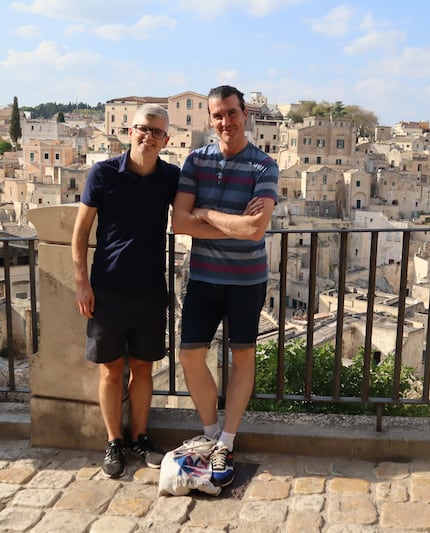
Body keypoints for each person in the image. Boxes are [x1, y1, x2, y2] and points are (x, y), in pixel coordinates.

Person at [172, 85, 279, 487]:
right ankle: (213, 433)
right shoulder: (195, 161)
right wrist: (228, 221)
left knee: (243, 359)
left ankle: (227, 439)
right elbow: (179, 223)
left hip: (246, 281)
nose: (224, 122)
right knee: (189, 357)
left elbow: (254, 231)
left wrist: (205, 212)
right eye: (217, 115)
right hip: (202, 276)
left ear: (244, 113)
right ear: (210, 118)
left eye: (231, 113)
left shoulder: (264, 166)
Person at [72, 103, 179, 478]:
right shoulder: (103, 173)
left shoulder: (170, 177)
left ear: (166, 140)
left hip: (151, 289)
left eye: (156, 132)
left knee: (144, 368)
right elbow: (81, 231)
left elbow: (190, 211)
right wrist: (82, 283)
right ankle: (114, 440)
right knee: (111, 372)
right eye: (142, 129)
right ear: (129, 131)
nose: (148, 136)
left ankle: (140, 436)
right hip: (109, 289)